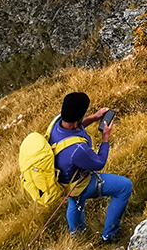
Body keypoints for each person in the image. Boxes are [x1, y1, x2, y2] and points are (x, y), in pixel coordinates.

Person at [49, 91, 133, 242]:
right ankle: (109, 235)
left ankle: (77, 235)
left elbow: (76, 125)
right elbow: (99, 163)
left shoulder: (57, 123)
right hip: (79, 183)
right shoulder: (78, 149)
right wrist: (105, 138)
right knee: (124, 187)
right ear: (77, 119)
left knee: (75, 200)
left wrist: (94, 118)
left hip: (63, 180)